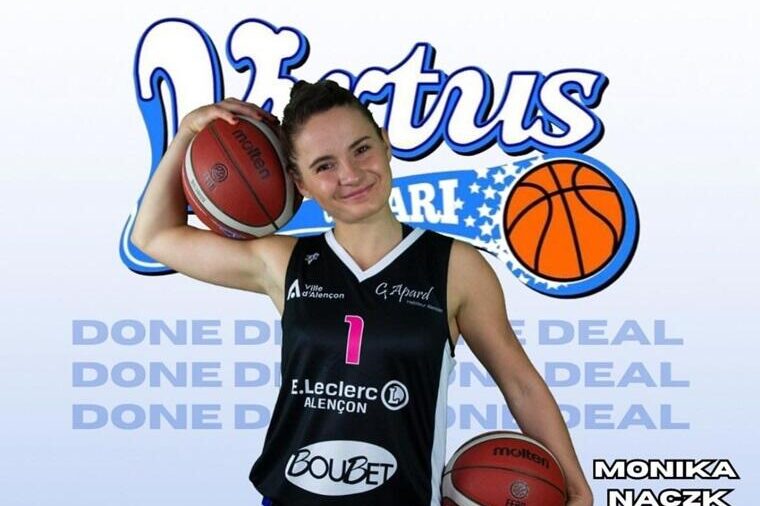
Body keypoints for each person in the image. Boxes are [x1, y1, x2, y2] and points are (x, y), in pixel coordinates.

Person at [131, 80, 593, 506]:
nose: (350, 174)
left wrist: (576, 488)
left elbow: (520, 384)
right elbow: (152, 235)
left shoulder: (455, 266)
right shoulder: (284, 261)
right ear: (300, 183)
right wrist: (187, 133)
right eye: (324, 165)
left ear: (386, 146)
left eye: (362, 149)